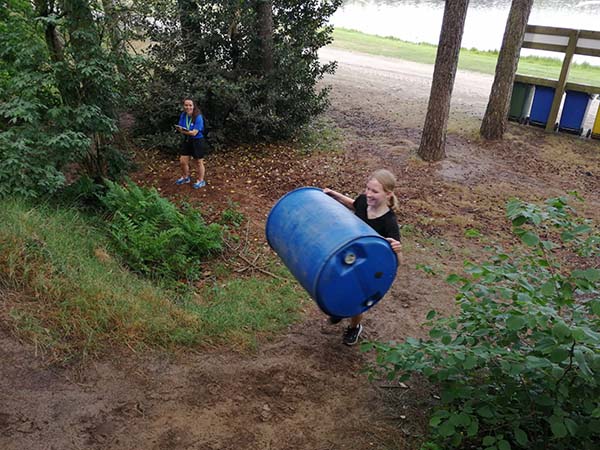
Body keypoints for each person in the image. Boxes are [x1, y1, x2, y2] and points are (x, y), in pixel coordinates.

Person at [323, 169, 402, 346]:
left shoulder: (389, 222)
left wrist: (397, 250)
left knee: (356, 298)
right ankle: (340, 309)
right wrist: (334, 195)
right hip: (352, 255)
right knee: (339, 283)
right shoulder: (363, 201)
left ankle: (354, 327)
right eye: (367, 189)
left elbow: (398, 261)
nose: (368, 194)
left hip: (369, 267)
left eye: (374, 191)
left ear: (388, 194)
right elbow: (353, 204)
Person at [174, 98, 208, 189]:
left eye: (190, 105)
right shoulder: (183, 115)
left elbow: (194, 133)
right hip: (187, 140)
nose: (188, 107)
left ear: (194, 106)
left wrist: (184, 131)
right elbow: (180, 127)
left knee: (198, 161)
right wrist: (184, 131)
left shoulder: (198, 117)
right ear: (183, 106)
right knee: (182, 161)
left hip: (197, 141)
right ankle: (185, 177)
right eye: (186, 105)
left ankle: (201, 180)